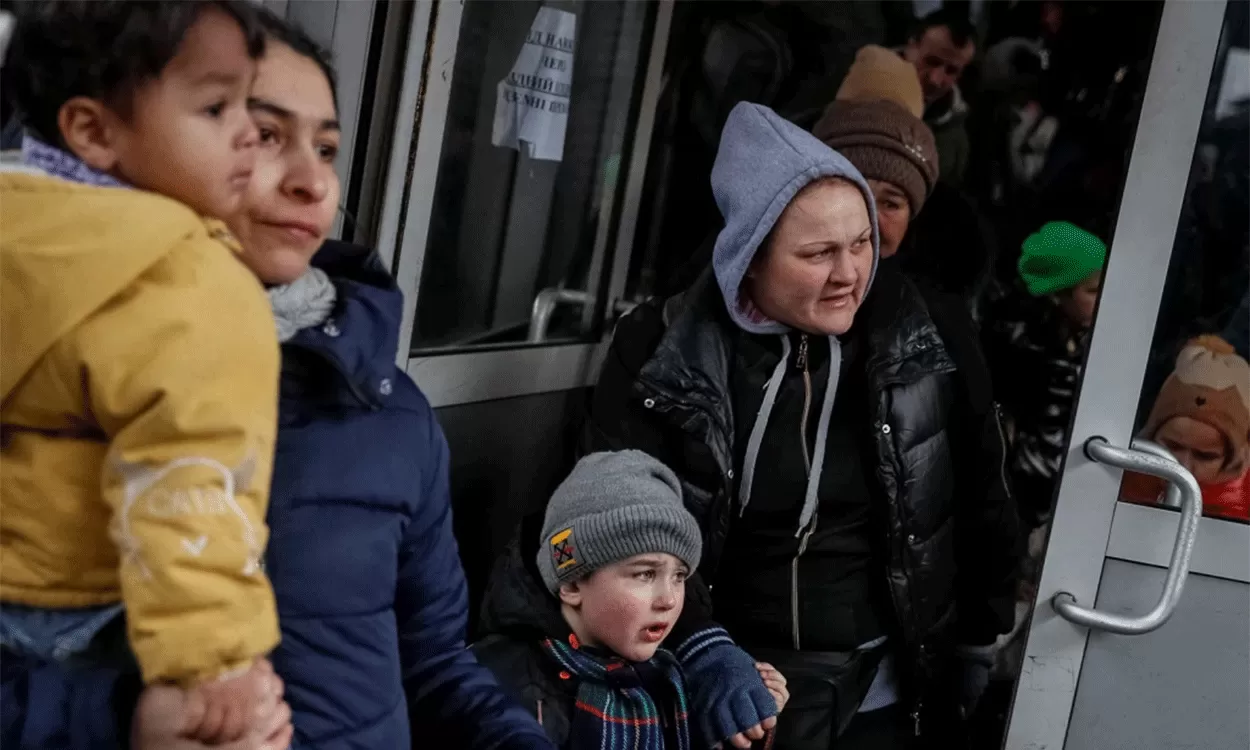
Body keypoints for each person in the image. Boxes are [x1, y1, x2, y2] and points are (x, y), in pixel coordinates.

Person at [585, 101, 1020, 749]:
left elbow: (981, 490)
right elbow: (615, 507)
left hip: (880, 681)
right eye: (818, 253)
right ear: (749, 257)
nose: (850, 274)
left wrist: (977, 638)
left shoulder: (927, 329)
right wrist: (702, 648)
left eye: (862, 242)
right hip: (719, 675)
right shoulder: (664, 347)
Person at [221, 11, 555, 748]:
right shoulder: (54, 390)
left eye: (328, 147)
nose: (313, 182)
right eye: (268, 136)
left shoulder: (391, 413)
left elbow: (430, 663)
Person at [1, 2, 287, 745]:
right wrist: (214, 659)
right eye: (216, 105)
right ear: (93, 130)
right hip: (86, 628)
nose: (251, 131)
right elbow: (189, 475)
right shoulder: (183, 277)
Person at [474, 450, 789, 749]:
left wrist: (740, 731)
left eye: (679, 577)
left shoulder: (669, 678)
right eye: (645, 575)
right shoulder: (494, 689)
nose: (668, 600)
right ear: (571, 584)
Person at [984, 221, 1107, 532]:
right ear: (1057, 295)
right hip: (1023, 495)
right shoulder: (1021, 351)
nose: (1104, 297)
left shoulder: (1101, 341)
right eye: (1092, 290)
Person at [1122, 336, 1250, 522]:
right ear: (1152, 436)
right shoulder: (1126, 478)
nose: (1183, 465)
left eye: (1205, 456)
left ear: (1233, 459)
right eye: (1172, 446)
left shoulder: (1242, 506)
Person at [900, 8, 977, 187]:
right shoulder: (851, 97)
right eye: (931, 62)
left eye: (951, 71)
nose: (935, 80)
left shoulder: (955, 137)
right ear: (911, 46)